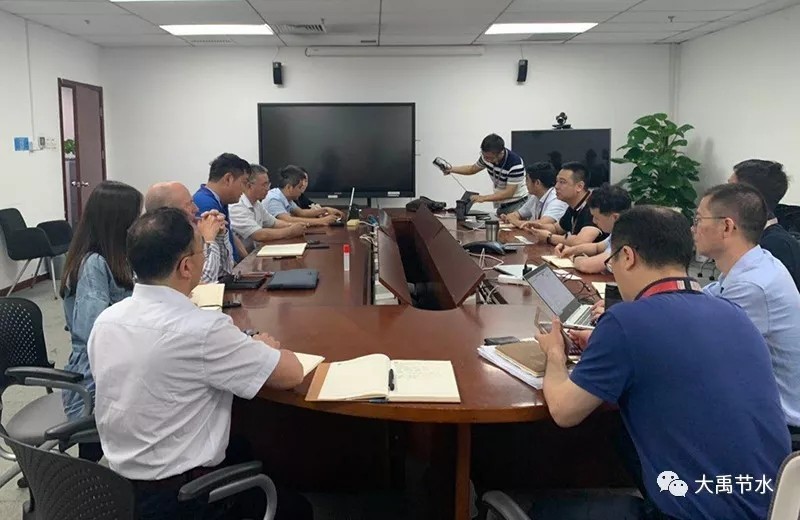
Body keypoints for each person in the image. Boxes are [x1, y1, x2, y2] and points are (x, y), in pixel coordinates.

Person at [534, 205, 789, 520]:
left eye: (613, 262)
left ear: (628, 256)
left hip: (696, 514)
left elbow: (564, 411)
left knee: (538, 507)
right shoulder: (733, 313)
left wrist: (555, 353)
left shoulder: (626, 320)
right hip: (775, 505)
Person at [89, 207, 311, 520]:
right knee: (298, 510)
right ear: (186, 266)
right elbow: (291, 374)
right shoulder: (202, 329)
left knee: (242, 446)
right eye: (201, 251)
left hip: (118, 487)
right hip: (183, 498)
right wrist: (261, 347)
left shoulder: (107, 321)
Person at [694, 183, 800, 432]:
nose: (693, 228)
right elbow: (701, 298)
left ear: (726, 227)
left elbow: (701, 351)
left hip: (778, 422)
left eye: (698, 220)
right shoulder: (754, 262)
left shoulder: (752, 285)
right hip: (755, 401)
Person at [60, 180, 143, 460]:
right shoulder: (94, 264)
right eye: (136, 216)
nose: (139, 223)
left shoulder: (117, 257)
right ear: (118, 221)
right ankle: (89, 478)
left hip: (114, 366)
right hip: (93, 381)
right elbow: (93, 332)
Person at [728, 159, 800, 289]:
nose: (721, 196)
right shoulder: (757, 237)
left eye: (730, 189)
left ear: (751, 198)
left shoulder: (775, 247)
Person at [144, 181, 227, 283]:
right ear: (169, 212)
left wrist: (219, 236)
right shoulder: (156, 243)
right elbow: (202, 283)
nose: (196, 209)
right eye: (189, 204)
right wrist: (209, 240)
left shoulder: (187, 233)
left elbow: (224, 272)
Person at [441, 133, 528, 215]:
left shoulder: (515, 164)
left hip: (517, 204)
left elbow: (508, 193)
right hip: (501, 205)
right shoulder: (486, 158)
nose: (487, 160)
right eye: (484, 156)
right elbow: (472, 169)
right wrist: (451, 169)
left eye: (490, 158)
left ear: (500, 153)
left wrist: (483, 198)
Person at [555, 184, 631, 274]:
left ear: (615, 217)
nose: (594, 221)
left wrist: (575, 257)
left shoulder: (630, 237)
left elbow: (586, 266)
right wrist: (571, 250)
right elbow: (597, 247)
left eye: (597, 218)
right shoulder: (619, 231)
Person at [523, 162, 604, 246]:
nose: (556, 186)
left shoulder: (594, 206)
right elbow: (557, 228)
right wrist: (538, 227)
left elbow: (580, 241)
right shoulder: (573, 206)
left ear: (579, 186)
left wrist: (549, 237)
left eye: (562, 182)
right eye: (557, 181)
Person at [229, 165, 306, 252]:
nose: (268, 188)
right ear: (249, 186)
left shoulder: (257, 203)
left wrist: (294, 226)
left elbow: (273, 222)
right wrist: (290, 231)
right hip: (244, 258)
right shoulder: (237, 206)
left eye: (268, 184)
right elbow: (259, 235)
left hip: (256, 251)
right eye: (264, 185)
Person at [193, 153, 250, 263]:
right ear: (228, 179)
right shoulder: (206, 204)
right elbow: (211, 257)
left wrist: (246, 260)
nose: (244, 190)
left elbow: (229, 234)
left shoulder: (220, 201)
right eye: (243, 183)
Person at [264, 165, 341, 226]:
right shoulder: (274, 199)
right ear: (289, 187)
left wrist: (325, 209)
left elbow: (301, 212)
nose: (302, 191)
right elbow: (287, 220)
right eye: (300, 187)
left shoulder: (287, 197)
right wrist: (321, 221)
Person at [500, 162, 568, 229]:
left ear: (537, 183)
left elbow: (542, 224)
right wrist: (510, 218)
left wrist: (516, 222)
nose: (525, 183)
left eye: (527, 179)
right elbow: (517, 214)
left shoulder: (556, 200)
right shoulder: (535, 196)